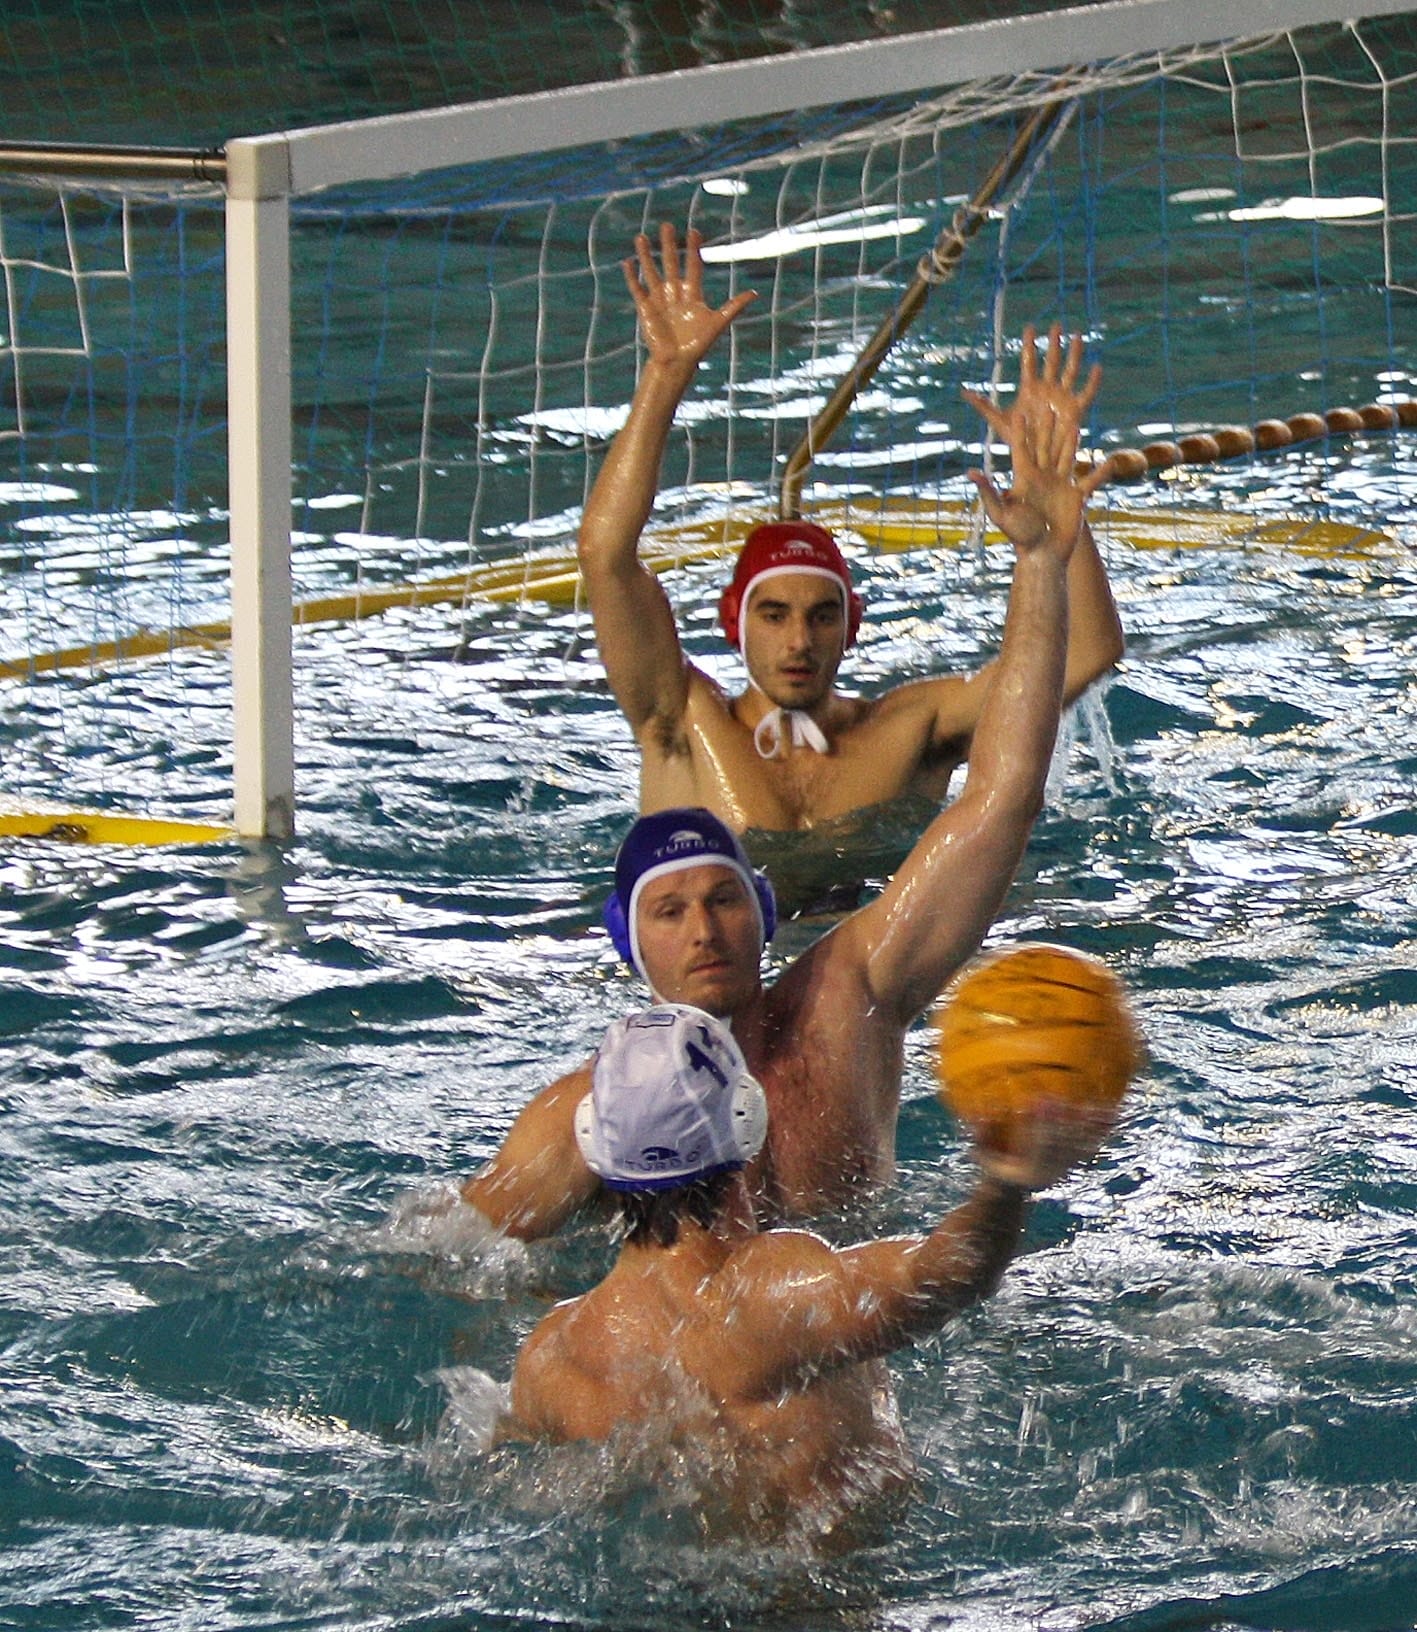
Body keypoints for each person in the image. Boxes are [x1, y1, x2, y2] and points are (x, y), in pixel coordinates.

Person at [462, 336, 1113, 1236]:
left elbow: (1002, 795)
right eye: (671, 910)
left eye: (722, 899)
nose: (703, 929)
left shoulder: (850, 997)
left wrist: (1041, 555)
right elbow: (606, 559)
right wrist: (662, 375)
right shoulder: (591, 1115)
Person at [577, 221, 1124, 839]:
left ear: (852, 624)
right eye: (774, 614)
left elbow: (1089, 653)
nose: (799, 642)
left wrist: (1057, 524)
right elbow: (604, 554)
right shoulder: (680, 719)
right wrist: (665, 376)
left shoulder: (914, 730)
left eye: (821, 616)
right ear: (734, 620)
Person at [497, 1004, 1113, 1549]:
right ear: (747, 1118)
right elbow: (948, 1275)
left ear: (595, 1143)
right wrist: (1007, 1180)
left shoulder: (549, 1359)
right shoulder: (769, 1295)